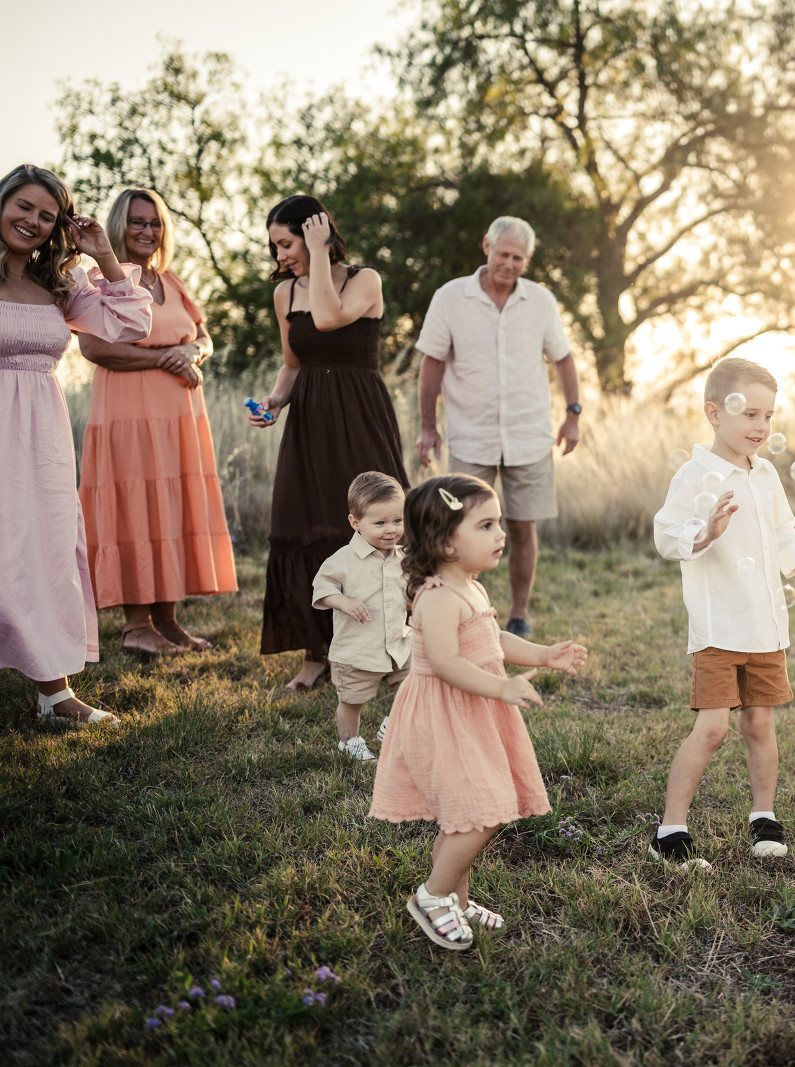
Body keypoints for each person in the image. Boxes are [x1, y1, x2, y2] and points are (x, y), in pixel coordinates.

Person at [369, 474, 588, 950]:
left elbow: (494, 639)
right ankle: (432, 896)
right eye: (486, 526)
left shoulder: (470, 587)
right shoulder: (437, 597)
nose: (500, 534)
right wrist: (502, 687)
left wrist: (544, 654)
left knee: (463, 815)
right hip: (443, 717)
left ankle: (457, 900)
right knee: (480, 812)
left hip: (470, 715)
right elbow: (446, 663)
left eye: (498, 523)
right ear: (446, 543)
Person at [648, 358, 795, 870]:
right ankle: (670, 829)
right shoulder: (695, 475)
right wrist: (705, 532)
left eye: (768, 416)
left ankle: (763, 816)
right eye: (750, 414)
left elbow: (783, 532)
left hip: (765, 625)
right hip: (720, 626)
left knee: (759, 724)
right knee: (713, 728)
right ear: (714, 413)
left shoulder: (766, 473)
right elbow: (666, 535)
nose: (761, 426)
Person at [0, 164, 152, 725]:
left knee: (44, 550)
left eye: (47, 215)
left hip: (40, 439)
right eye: (23, 206)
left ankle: (54, 694)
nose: (32, 221)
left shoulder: (60, 285)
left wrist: (104, 254)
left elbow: (132, 324)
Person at [248, 195, 409, 691]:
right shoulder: (284, 294)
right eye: (275, 247)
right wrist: (276, 401)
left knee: (376, 523)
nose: (280, 257)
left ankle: (390, 648)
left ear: (315, 232)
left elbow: (328, 318)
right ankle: (316, 654)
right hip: (309, 421)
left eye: (286, 243)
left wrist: (318, 255)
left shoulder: (365, 280)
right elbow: (292, 362)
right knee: (306, 524)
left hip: (361, 417)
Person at [78, 187, 237, 655]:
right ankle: (136, 627)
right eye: (137, 221)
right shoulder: (100, 278)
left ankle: (167, 621)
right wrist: (164, 359)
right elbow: (94, 347)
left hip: (179, 418)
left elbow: (203, 337)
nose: (148, 231)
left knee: (170, 507)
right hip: (128, 413)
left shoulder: (172, 279)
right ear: (119, 225)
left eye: (155, 223)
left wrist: (192, 352)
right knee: (136, 507)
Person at [414, 216, 581, 639]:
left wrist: (573, 415)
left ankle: (518, 615)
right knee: (461, 528)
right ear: (486, 246)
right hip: (471, 436)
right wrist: (428, 427)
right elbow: (432, 363)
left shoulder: (540, 301)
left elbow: (563, 358)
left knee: (522, 526)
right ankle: (467, 612)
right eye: (503, 254)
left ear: (528, 259)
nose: (509, 264)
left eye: (518, 258)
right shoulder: (451, 297)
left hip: (530, 437)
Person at [312, 471, 410, 762]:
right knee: (352, 701)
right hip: (357, 649)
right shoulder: (343, 559)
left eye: (397, 521)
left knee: (417, 683)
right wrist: (343, 601)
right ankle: (350, 743)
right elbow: (322, 588)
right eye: (380, 523)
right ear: (355, 523)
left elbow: (412, 589)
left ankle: (397, 723)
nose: (391, 530)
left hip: (398, 644)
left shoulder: (403, 558)